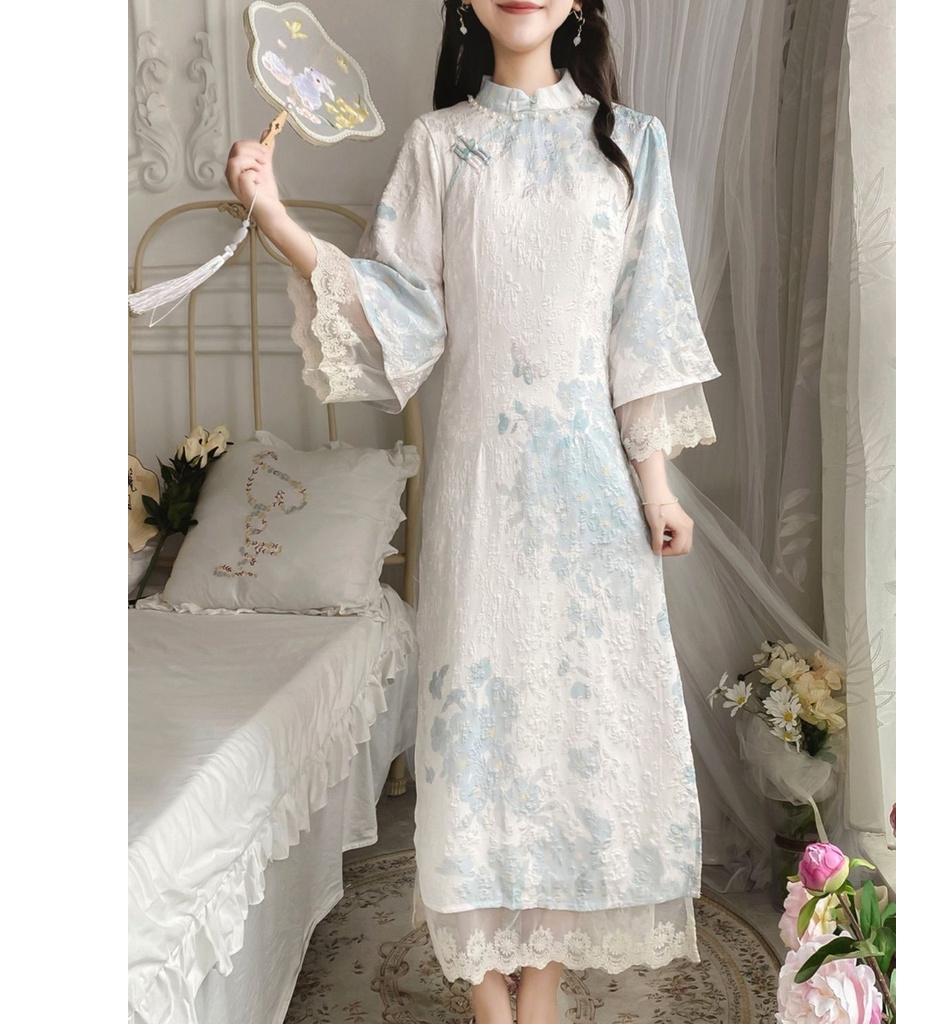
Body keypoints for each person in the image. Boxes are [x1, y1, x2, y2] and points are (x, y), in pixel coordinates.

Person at [225, 2, 721, 1021]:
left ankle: (538, 994)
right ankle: (492, 1004)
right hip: (480, 497)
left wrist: (657, 486)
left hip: (591, 503)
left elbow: (645, 329)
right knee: (480, 743)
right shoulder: (439, 146)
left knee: (569, 739)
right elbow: (400, 315)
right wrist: (276, 218)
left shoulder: (633, 145)